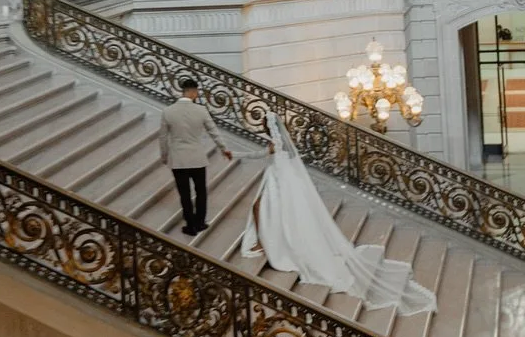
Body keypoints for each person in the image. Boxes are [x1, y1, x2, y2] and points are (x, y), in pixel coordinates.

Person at [241, 115, 436, 317]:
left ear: (270, 128)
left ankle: (265, 241)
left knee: (261, 207)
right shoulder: (282, 143)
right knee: (277, 211)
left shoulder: (273, 143)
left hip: (279, 179)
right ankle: (268, 238)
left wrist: (237, 154)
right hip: (286, 178)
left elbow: (261, 154)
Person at [158, 74, 232, 239]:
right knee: (200, 191)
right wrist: (224, 149)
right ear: (193, 92)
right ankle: (200, 222)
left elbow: (163, 137)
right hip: (197, 158)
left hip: (178, 159)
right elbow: (214, 131)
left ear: (183, 91)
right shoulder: (201, 110)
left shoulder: (168, 111)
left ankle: (190, 225)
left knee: (184, 193)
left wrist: (164, 156)